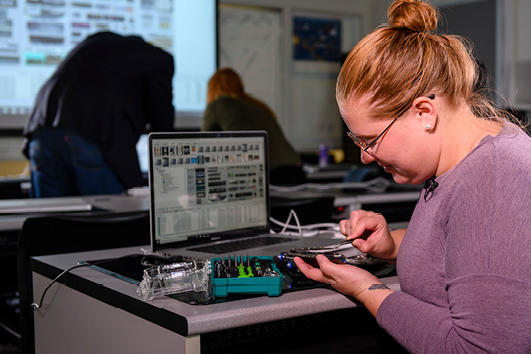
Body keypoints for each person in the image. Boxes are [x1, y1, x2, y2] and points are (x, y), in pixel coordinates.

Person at [294, 1, 531, 353]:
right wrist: (391, 244)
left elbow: (479, 349)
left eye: (371, 140)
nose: (364, 155)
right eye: (357, 141)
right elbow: (465, 253)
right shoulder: (468, 157)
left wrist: (368, 290)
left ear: (424, 112)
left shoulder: (494, 178)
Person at [23, 31, 174, 197]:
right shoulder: (158, 58)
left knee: (50, 219)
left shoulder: (92, 43)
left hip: (41, 131)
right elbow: (162, 122)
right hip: (92, 133)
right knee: (117, 216)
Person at [202, 67, 306, 185]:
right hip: (296, 169)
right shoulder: (258, 105)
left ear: (212, 89)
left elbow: (202, 143)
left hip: (270, 175)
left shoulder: (217, 104)